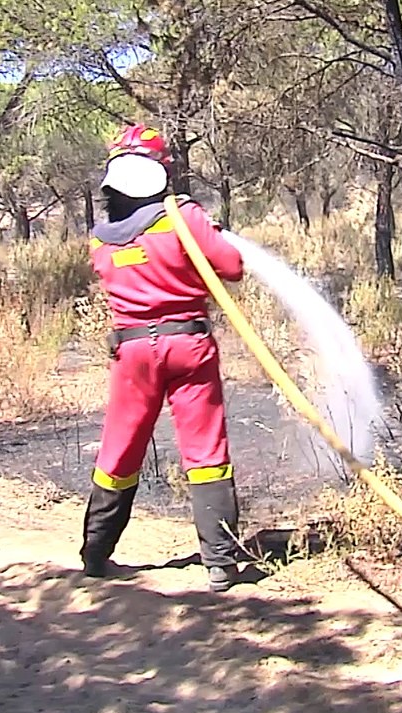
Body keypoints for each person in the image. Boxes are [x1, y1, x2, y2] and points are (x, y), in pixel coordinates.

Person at [80, 123, 247, 592]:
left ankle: (95, 555)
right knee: (205, 448)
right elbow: (232, 267)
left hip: (132, 351)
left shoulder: (100, 239)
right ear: (162, 172)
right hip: (188, 345)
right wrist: (210, 232)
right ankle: (219, 563)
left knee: (120, 448)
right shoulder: (182, 217)